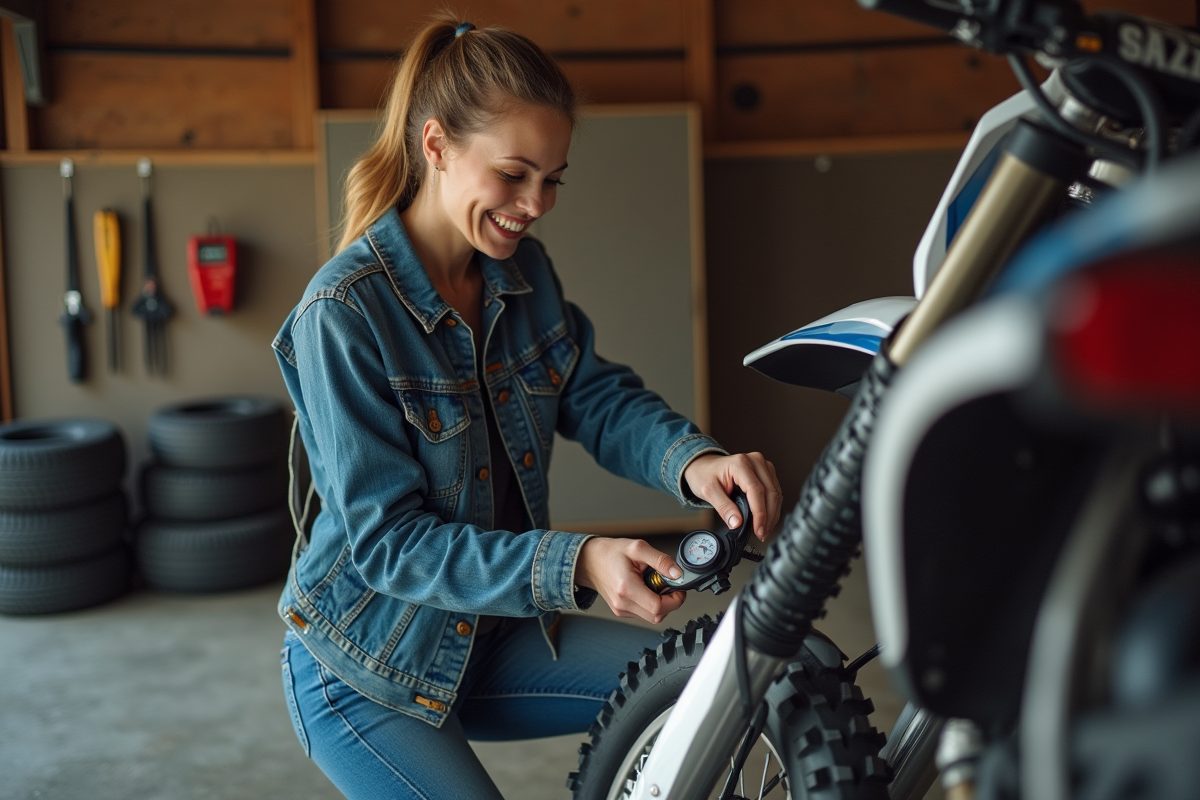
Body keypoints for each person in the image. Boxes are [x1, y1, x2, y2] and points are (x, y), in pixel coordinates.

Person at [274, 17, 782, 800]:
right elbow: (388, 545)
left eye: (552, 179)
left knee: (707, 687)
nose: (536, 203)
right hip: (364, 665)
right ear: (436, 146)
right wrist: (574, 560)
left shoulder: (522, 271)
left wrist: (696, 463)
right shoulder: (341, 312)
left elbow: (594, 395)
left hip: (489, 635)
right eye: (515, 174)